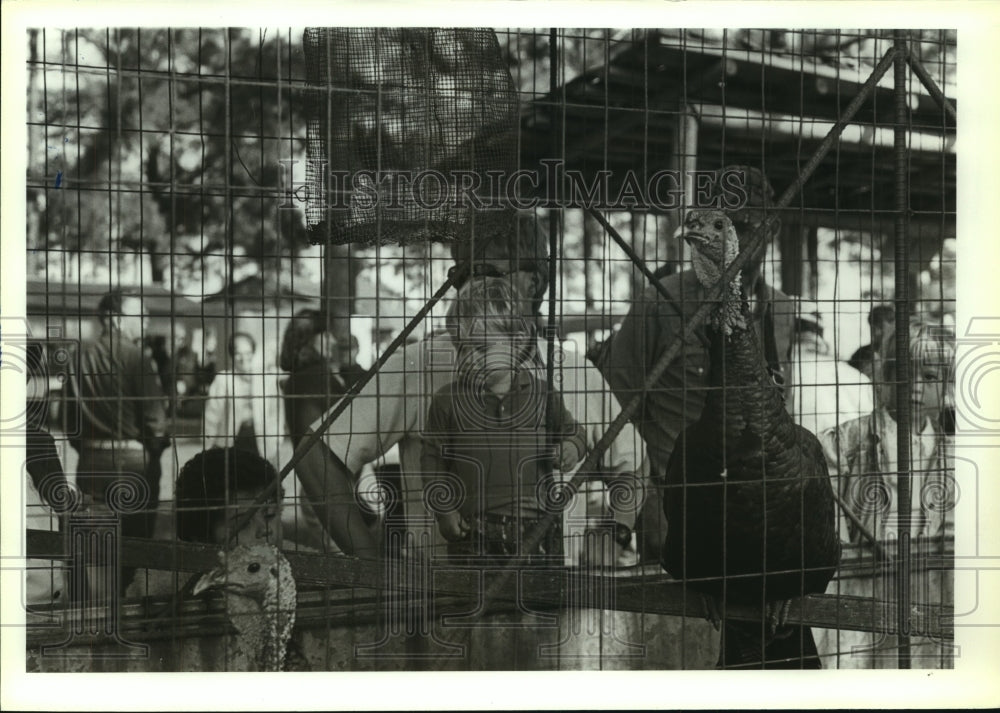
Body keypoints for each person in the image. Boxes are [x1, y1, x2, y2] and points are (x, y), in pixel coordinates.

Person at [288, 210, 651, 668]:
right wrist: (371, 568)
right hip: (445, 617)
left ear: (535, 283)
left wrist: (615, 535)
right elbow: (314, 455)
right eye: (462, 273)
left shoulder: (575, 371)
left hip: (553, 617)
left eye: (488, 272)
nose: (468, 287)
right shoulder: (420, 363)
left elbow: (634, 463)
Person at [597, 165, 797, 562]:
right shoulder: (660, 301)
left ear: (771, 230)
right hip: (678, 503)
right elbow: (615, 407)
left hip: (752, 507)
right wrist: (645, 503)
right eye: (726, 224)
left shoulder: (782, 310)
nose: (738, 235)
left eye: (748, 224)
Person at [814, 321, 955, 669]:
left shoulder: (954, 453)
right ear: (886, 374)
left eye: (931, 377)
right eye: (904, 373)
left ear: (948, 385)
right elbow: (826, 521)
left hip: (928, 587)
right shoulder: (842, 442)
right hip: (859, 583)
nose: (915, 387)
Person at [420, 277, 590, 560]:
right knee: (475, 600)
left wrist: (572, 448)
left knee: (540, 600)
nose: (470, 359)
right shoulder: (446, 401)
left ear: (517, 341)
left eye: (482, 348)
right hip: (473, 532)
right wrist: (444, 511)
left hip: (539, 529)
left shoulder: (543, 394)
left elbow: (576, 433)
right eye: (462, 349)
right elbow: (431, 461)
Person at [64, 289, 169, 593]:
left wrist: (88, 448)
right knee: (134, 550)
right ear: (114, 318)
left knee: (96, 548)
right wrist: (153, 452)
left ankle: (97, 614)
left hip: (91, 461)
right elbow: (156, 420)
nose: (146, 322)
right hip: (135, 462)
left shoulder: (77, 356)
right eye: (139, 315)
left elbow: (70, 421)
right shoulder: (136, 357)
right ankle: (129, 611)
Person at [788, 301, 875, 436]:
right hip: (851, 452)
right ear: (820, 330)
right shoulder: (855, 376)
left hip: (796, 454)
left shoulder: (779, 376)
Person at [202, 332, 287, 466]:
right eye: (238, 353)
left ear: (253, 353)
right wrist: (208, 446)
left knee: (266, 483)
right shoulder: (223, 380)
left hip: (263, 444)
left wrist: (277, 440)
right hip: (231, 442)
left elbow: (277, 413)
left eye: (248, 353)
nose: (243, 358)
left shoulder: (267, 379)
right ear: (231, 357)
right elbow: (211, 416)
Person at [848, 304, 894, 382]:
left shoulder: (897, 353)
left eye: (880, 327)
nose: (876, 333)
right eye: (873, 328)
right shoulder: (861, 353)